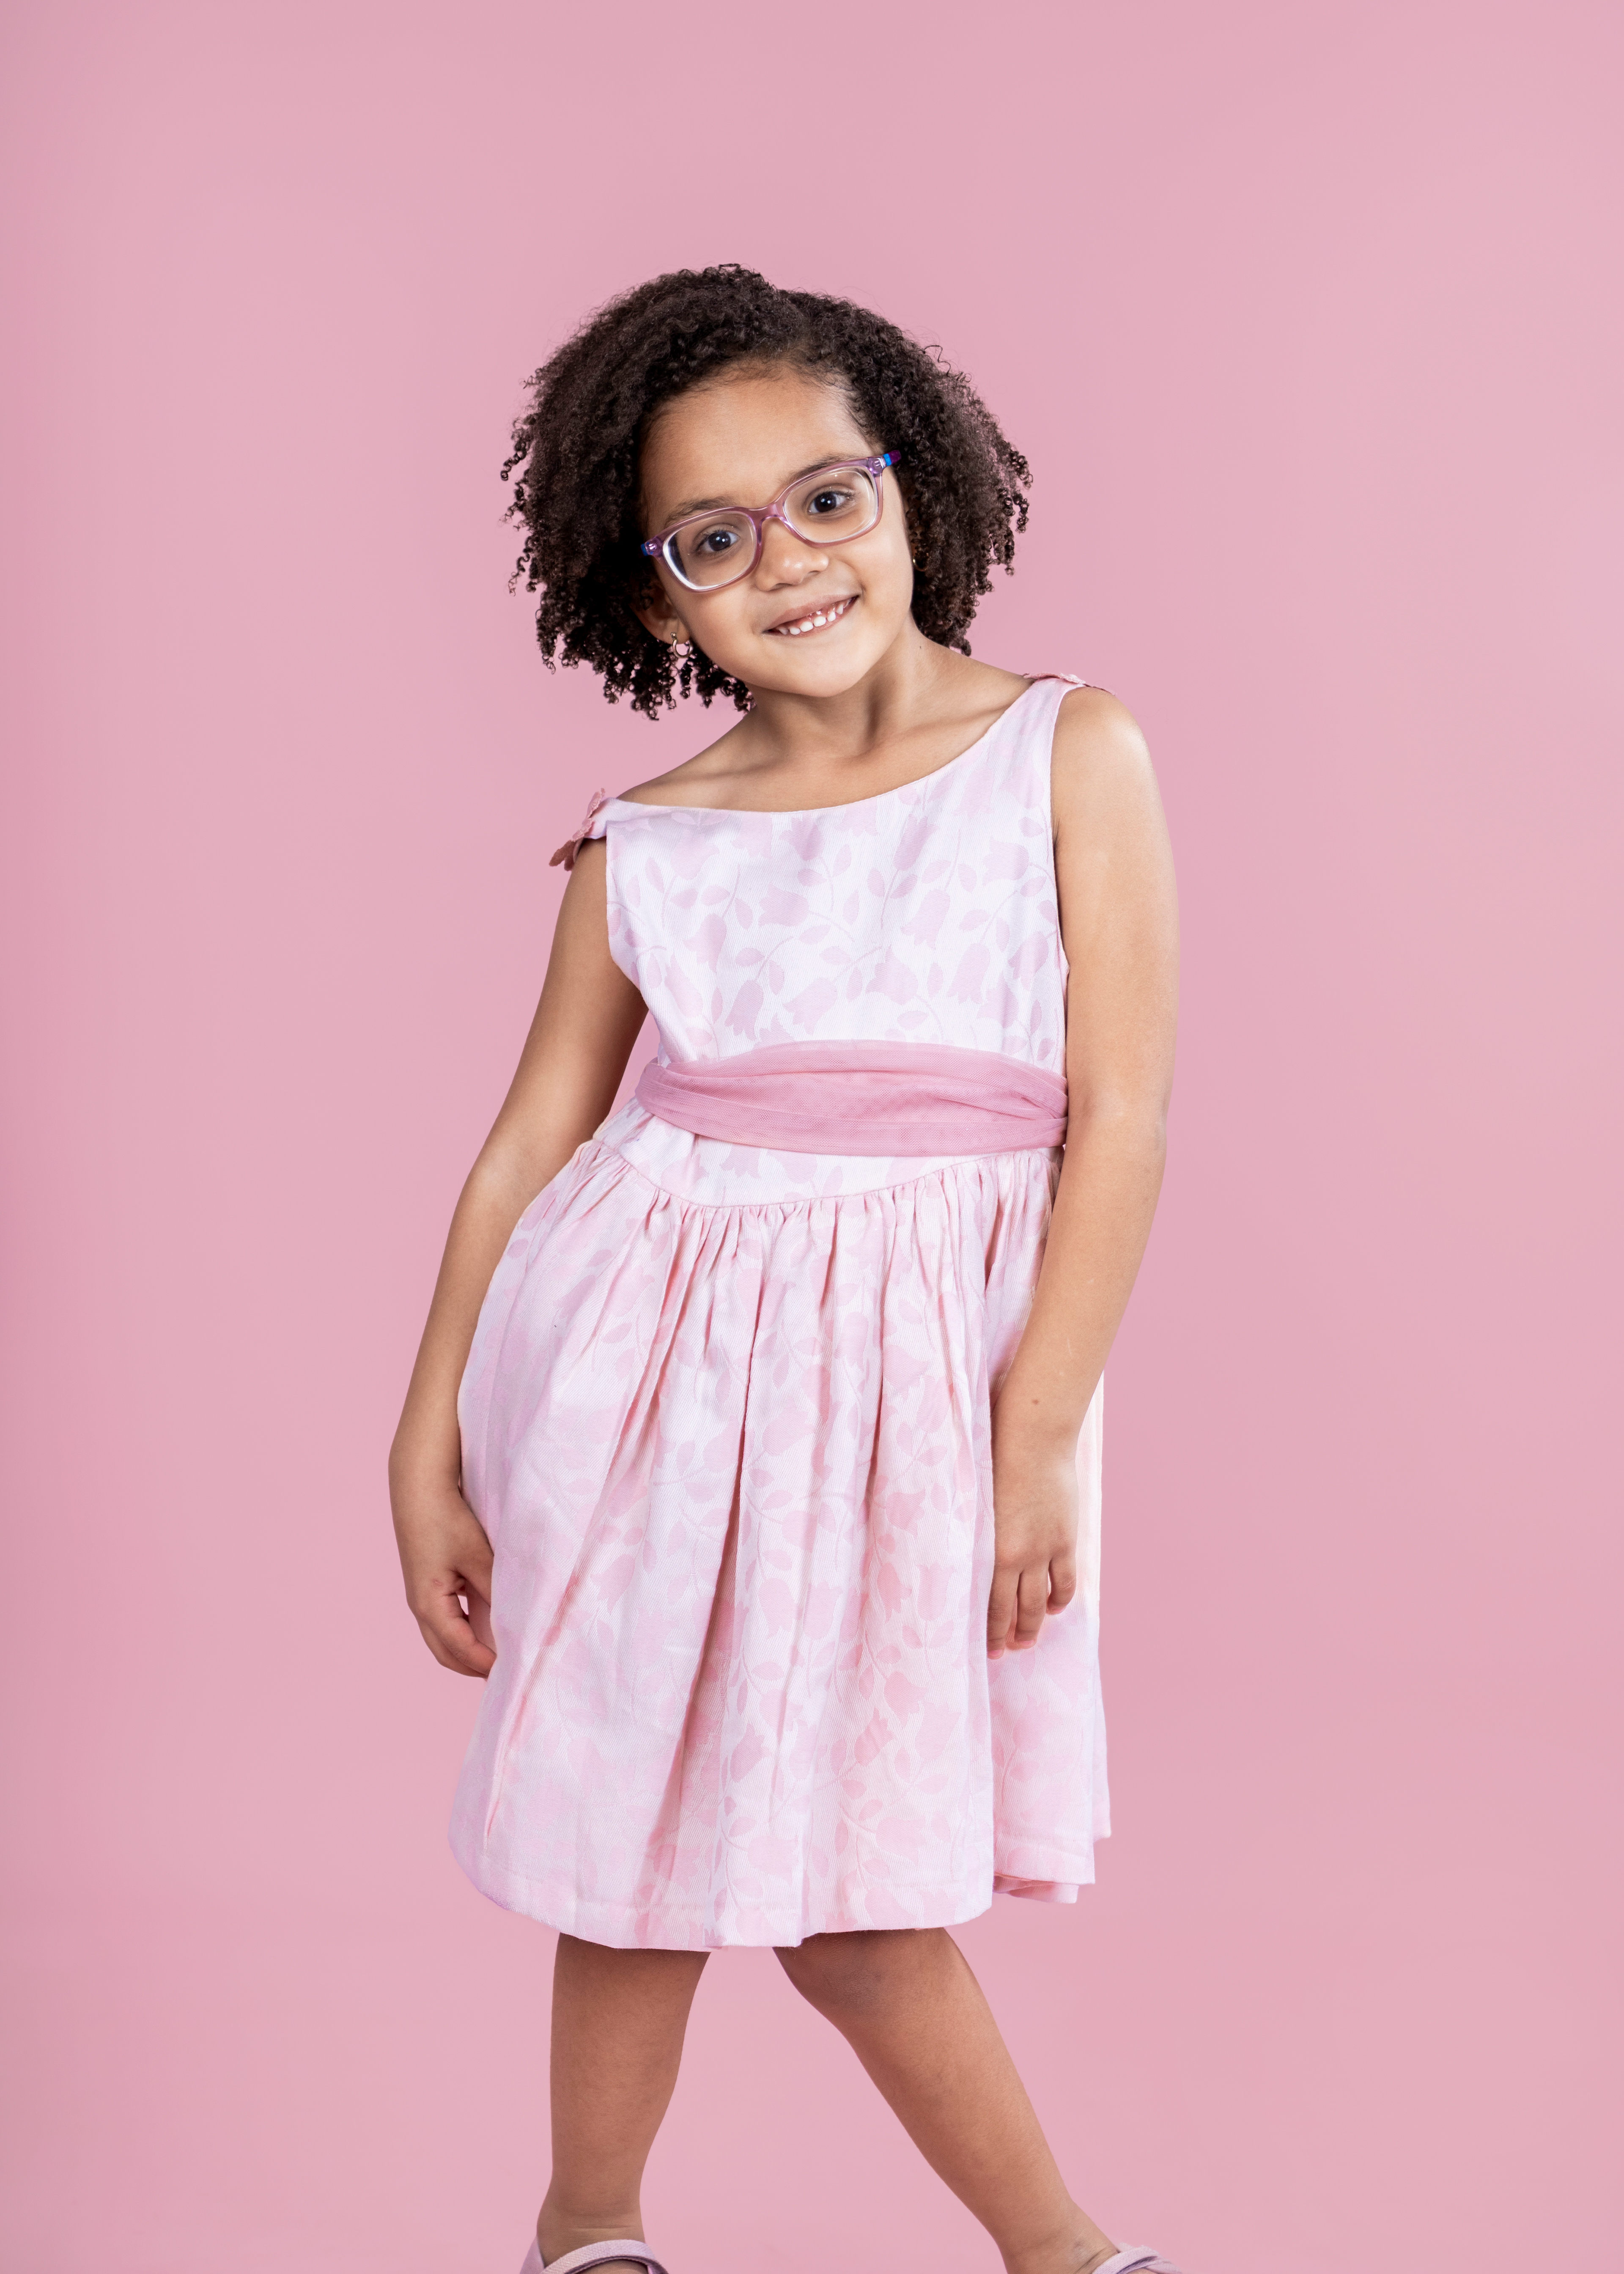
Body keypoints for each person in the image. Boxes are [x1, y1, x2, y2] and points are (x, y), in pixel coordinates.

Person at [389, 265, 1182, 2274]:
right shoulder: (651, 840)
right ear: (657, 599)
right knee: (628, 1835)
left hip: (926, 1402)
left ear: (916, 486)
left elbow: (1124, 1120)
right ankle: (589, 2229)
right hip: (647, 1380)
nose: (792, 560)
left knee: (860, 1893)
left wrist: (1037, 1438)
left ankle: (1065, 2253)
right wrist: (423, 1439)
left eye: (828, 497)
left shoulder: (1068, 753)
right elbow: (529, 1147)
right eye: (715, 538)